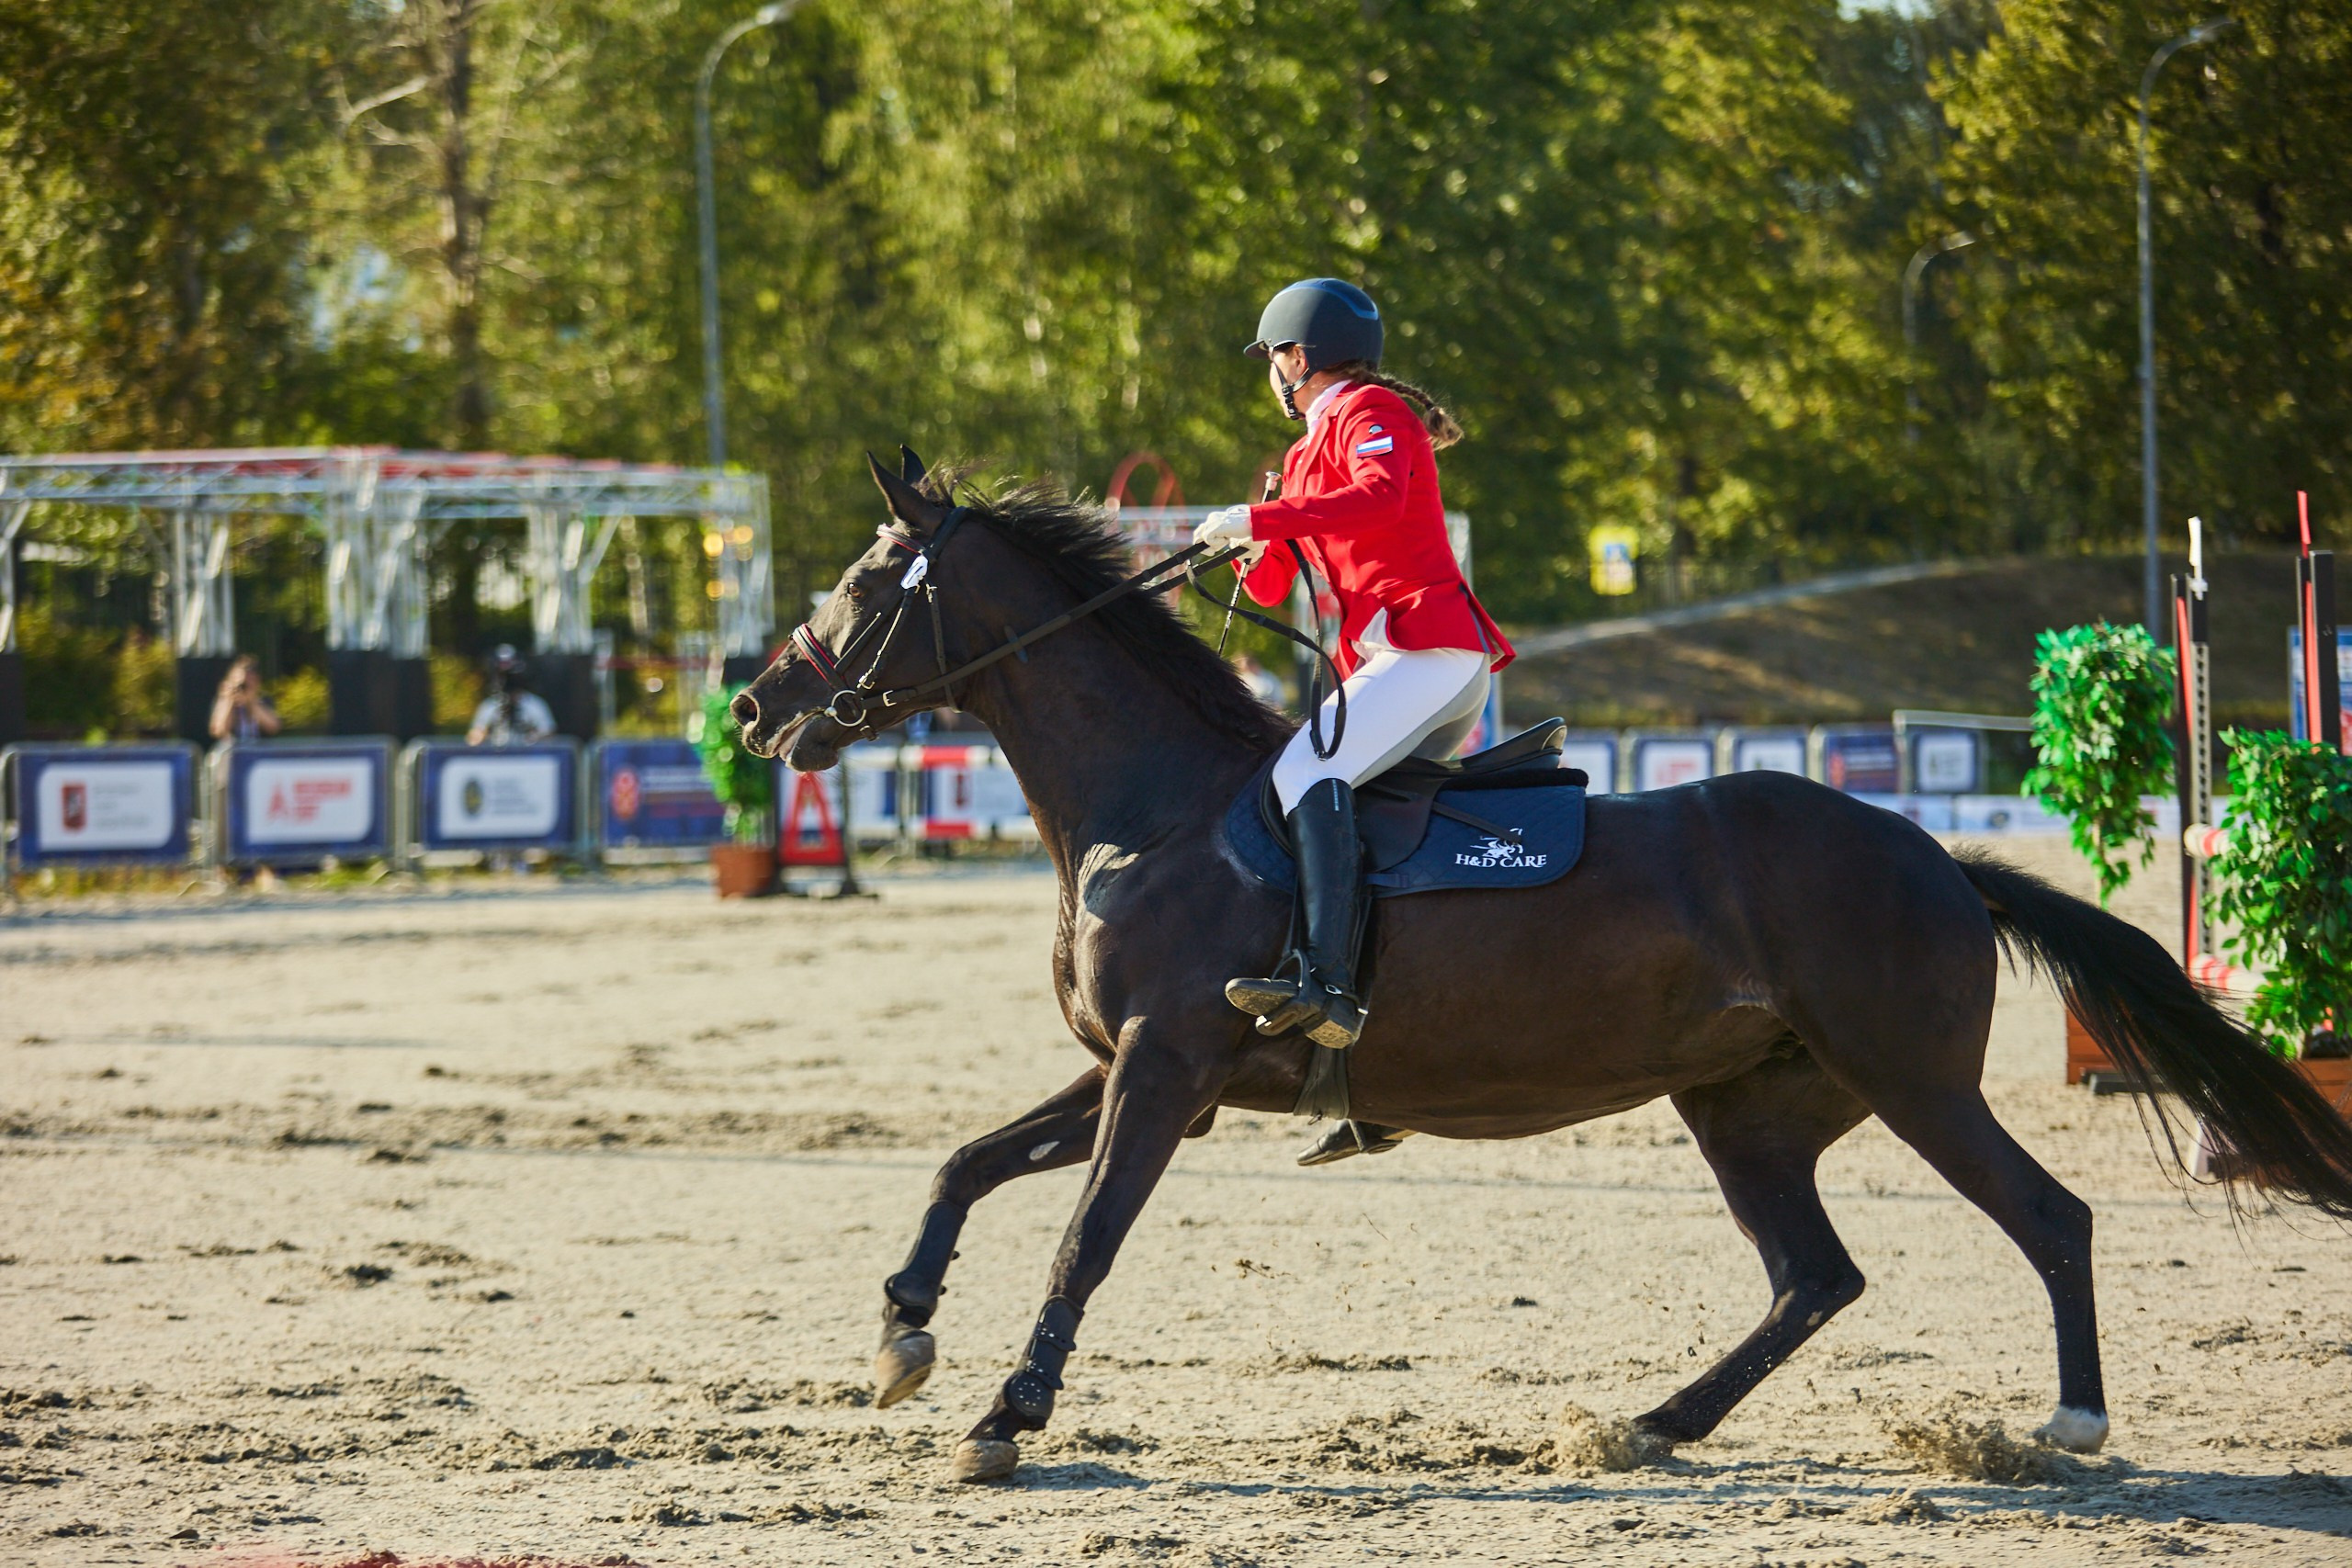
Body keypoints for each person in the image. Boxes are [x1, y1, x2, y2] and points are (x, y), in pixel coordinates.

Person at [1193, 278, 1514, 1161]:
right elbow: (1271, 586)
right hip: (1393, 661)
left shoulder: (1371, 410)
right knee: (1364, 822)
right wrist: (1252, 542)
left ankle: (1327, 986)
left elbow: (1376, 497)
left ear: (1296, 356)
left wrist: (1266, 513)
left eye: (1273, 360)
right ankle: (1398, 1060)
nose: (1272, 375)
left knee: (1302, 776)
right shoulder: (1300, 456)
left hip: (1430, 649)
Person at [466, 644, 557, 745]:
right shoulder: (489, 706)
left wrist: (532, 737)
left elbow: (548, 733)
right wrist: (483, 736)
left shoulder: (534, 704)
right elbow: (474, 737)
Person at [209, 656, 281, 742]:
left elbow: (273, 728)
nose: (243, 686)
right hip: (233, 751)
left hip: (258, 751)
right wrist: (229, 701)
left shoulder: (265, 700)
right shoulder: (224, 701)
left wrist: (251, 702)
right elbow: (219, 731)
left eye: (249, 680)